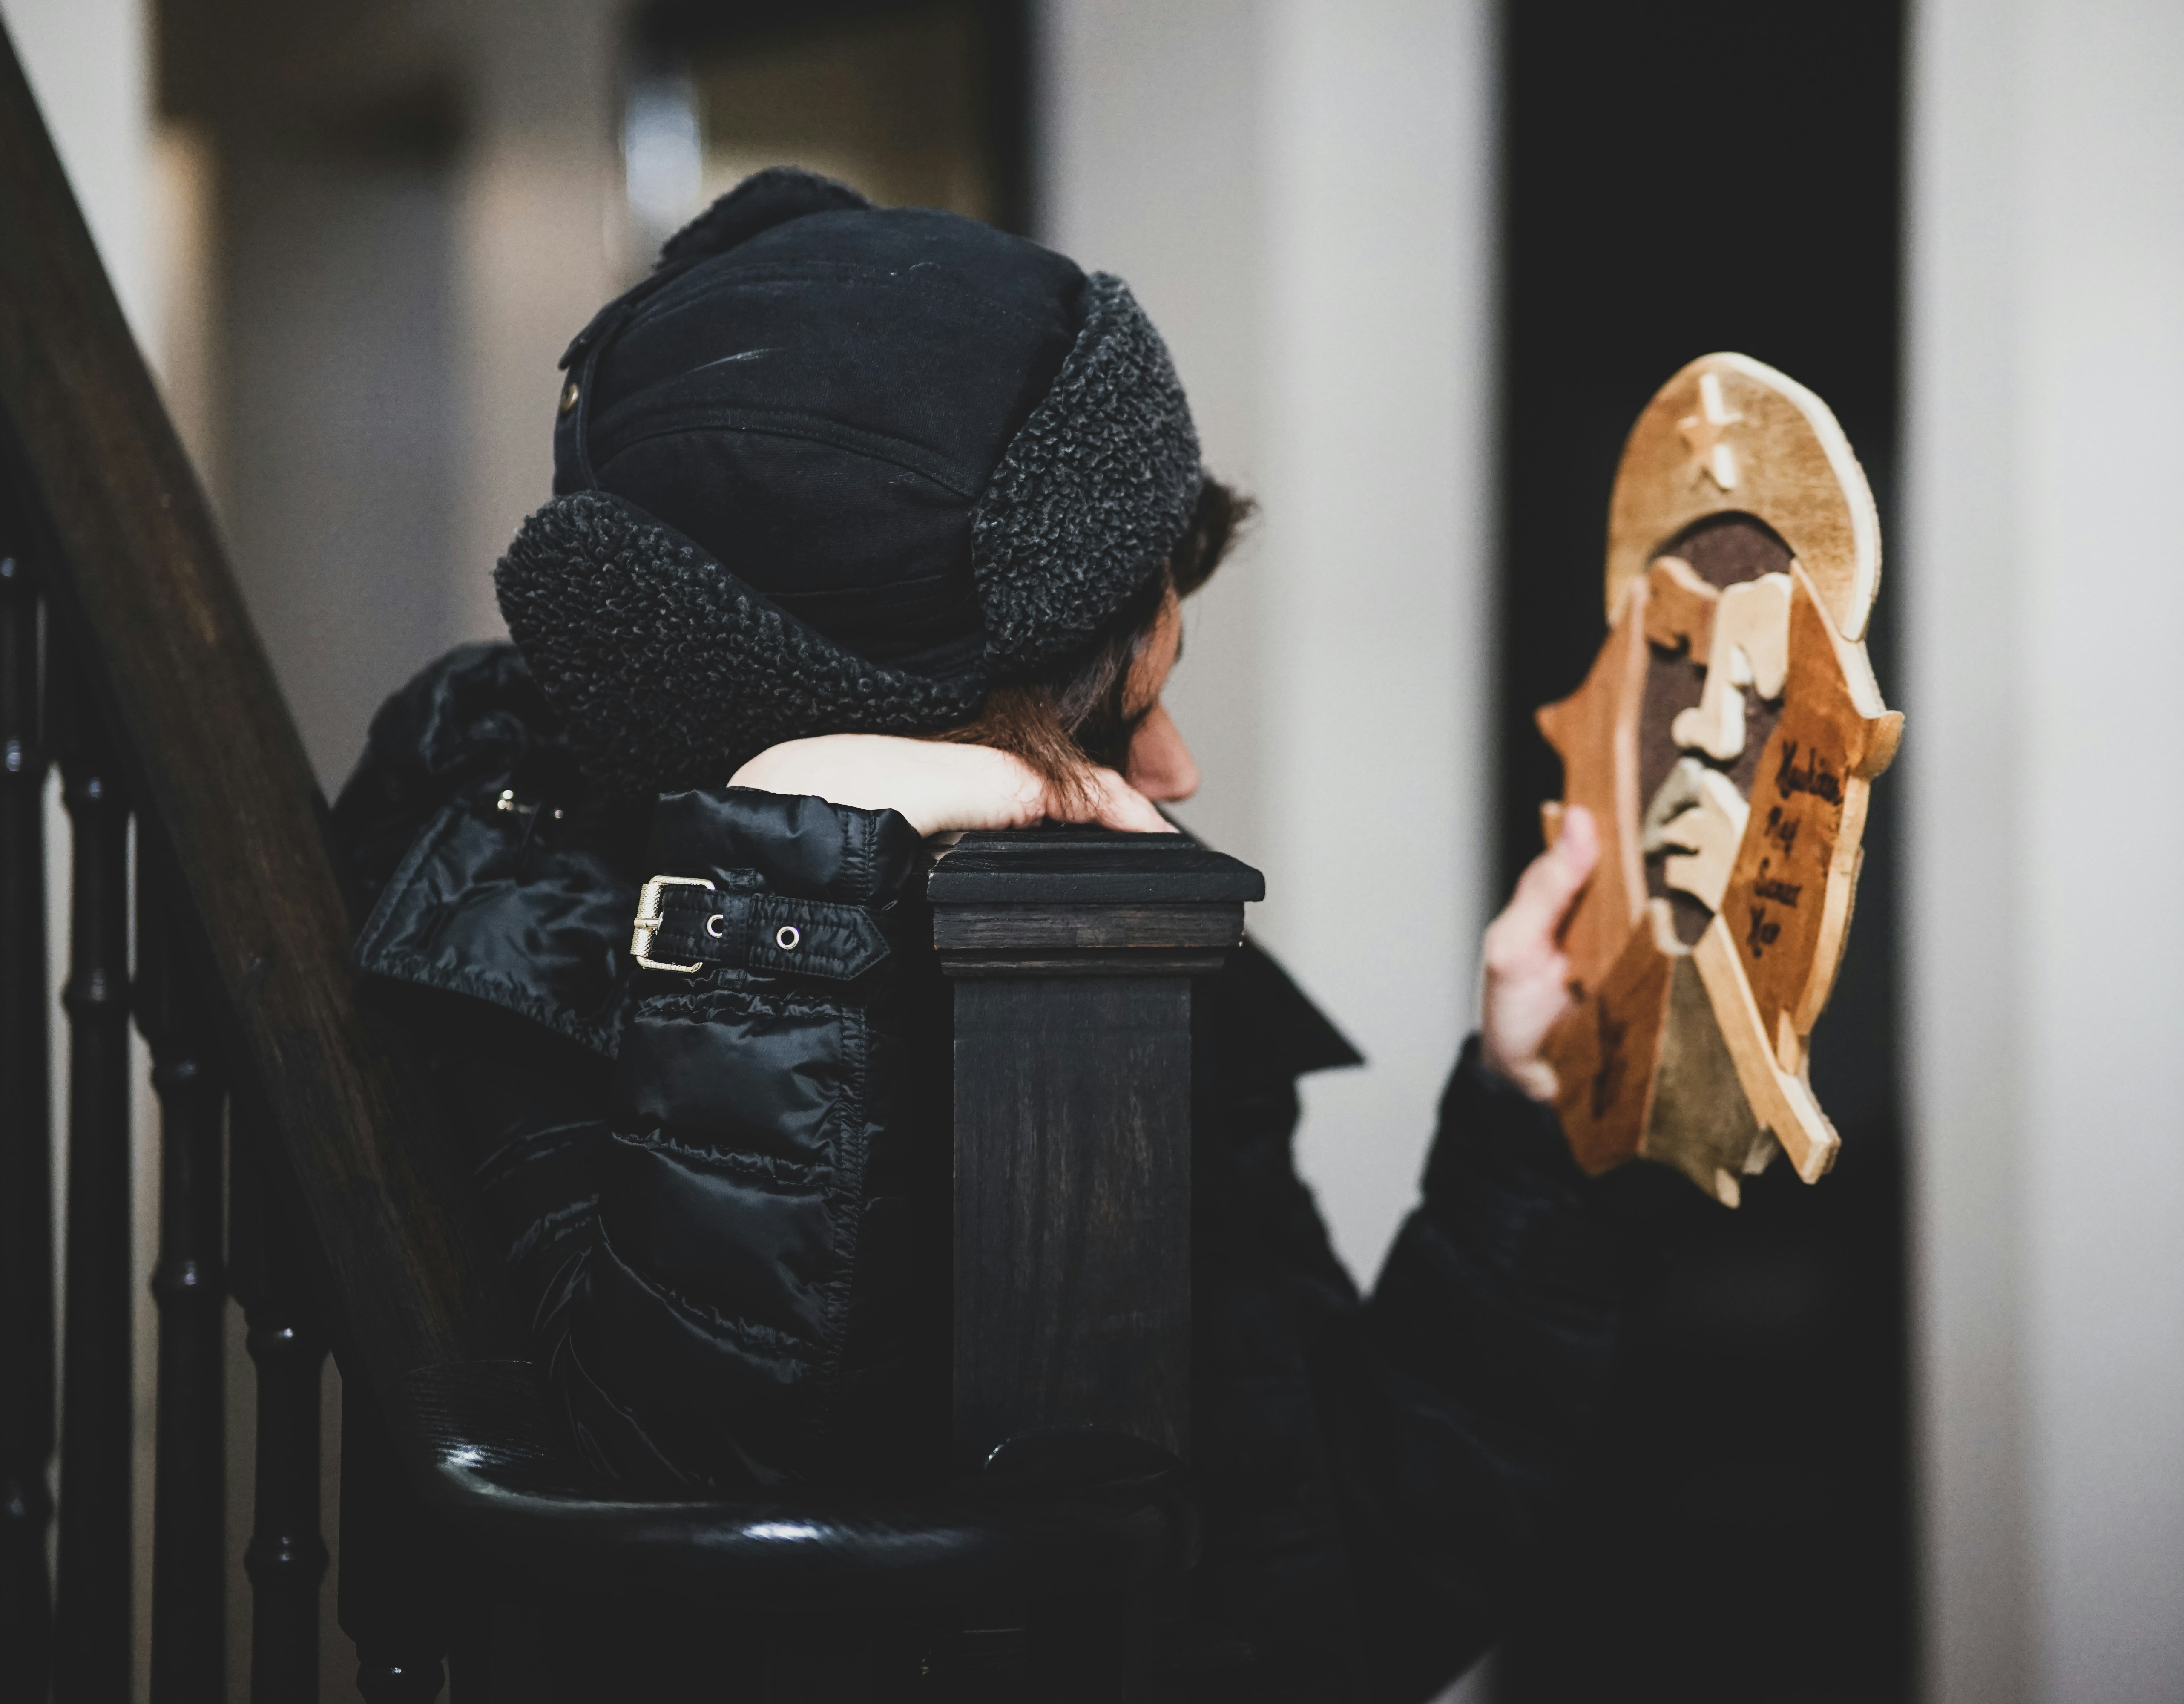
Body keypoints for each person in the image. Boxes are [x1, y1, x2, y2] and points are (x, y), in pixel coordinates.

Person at [334, 169, 1641, 1701]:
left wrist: (1524, 1133)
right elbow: (684, 1556)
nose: (1177, 775)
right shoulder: (523, 950)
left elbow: (1325, 1612)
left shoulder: (1109, 944)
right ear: (896, 735)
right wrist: (787, 877)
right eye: (1125, 711)